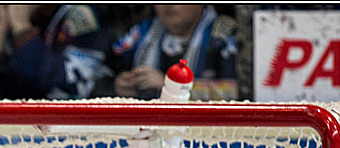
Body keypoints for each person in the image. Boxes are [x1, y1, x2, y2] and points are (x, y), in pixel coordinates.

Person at [95, 4, 237, 100]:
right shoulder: (141, 32)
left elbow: (239, 93)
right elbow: (96, 80)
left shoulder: (223, 36)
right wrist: (116, 86)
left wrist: (171, 87)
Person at [0, 4, 114, 100]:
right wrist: (2, 22)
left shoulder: (81, 15)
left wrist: (21, 26)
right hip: (10, 124)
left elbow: (64, 86)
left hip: (61, 128)